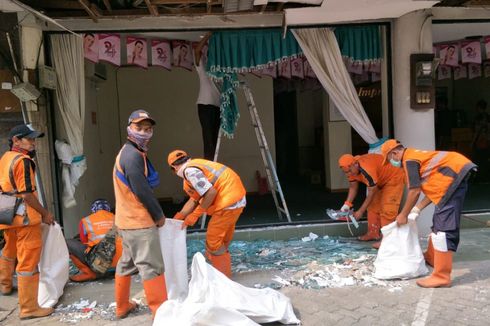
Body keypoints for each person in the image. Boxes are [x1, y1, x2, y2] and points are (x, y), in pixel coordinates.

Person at [381, 139, 477, 288]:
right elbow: (435, 188)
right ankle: (432, 257)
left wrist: (403, 214)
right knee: (439, 223)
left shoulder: (409, 160)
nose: (393, 163)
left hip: (454, 176)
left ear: (394, 153)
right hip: (454, 176)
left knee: (444, 230)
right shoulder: (415, 156)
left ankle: (442, 276)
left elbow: (414, 191)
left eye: (390, 160)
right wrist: (417, 208)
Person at [113, 110, 167, 319]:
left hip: (126, 221)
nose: (145, 133)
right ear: (129, 128)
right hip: (139, 222)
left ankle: (122, 306)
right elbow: (141, 190)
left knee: (126, 264)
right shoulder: (132, 155)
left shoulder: (131, 152)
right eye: (139, 128)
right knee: (151, 266)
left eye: (148, 129)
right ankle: (160, 311)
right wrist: (158, 215)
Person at [0, 124, 55, 319]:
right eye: (29, 139)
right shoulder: (23, 161)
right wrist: (45, 214)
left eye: (33, 139)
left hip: (7, 215)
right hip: (25, 219)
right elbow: (27, 194)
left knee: (9, 251)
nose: (33, 143)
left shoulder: (6, 158)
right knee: (27, 265)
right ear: (16, 140)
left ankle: (5, 285)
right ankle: (29, 308)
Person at [168, 150, 246, 278]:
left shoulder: (189, 171)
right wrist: (180, 216)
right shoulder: (196, 165)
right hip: (236, 199)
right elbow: (194, 199)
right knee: (222, 238)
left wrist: (195, 215)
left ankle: (224, 281)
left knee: (213, 242)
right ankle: (220, 269)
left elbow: (210, 193)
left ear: (174, 168)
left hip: (227, 202)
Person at [338, 153, 405, 248]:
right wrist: (347, 204)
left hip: (393, 177)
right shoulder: (351, 168)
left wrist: (360, 211)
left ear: (355, 164)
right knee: (373, 206)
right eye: (346, 172)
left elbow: (372, 192)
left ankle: (387, 240)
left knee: (388, 208)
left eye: (349, 171)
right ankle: (373, 233)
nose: (349, 174)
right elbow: (353, 187)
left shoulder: (367, 169)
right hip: (379, 180)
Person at [66, 199, 122, 282]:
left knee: (67, 243)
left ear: (93, 210)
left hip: (99, 265)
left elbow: (84, 242)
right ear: (108, 209)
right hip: (121, 265)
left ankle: (89, 273)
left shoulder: (86, 221)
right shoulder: (119, 219)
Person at [193, 33, 221, 160]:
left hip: (218, 107)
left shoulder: (222, 72)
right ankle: (209, 164)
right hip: (205, 105)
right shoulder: (203, 68)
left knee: (215, 138)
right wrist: (208, 36)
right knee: (208, 138)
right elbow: (197, 51)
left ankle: (213, 163)